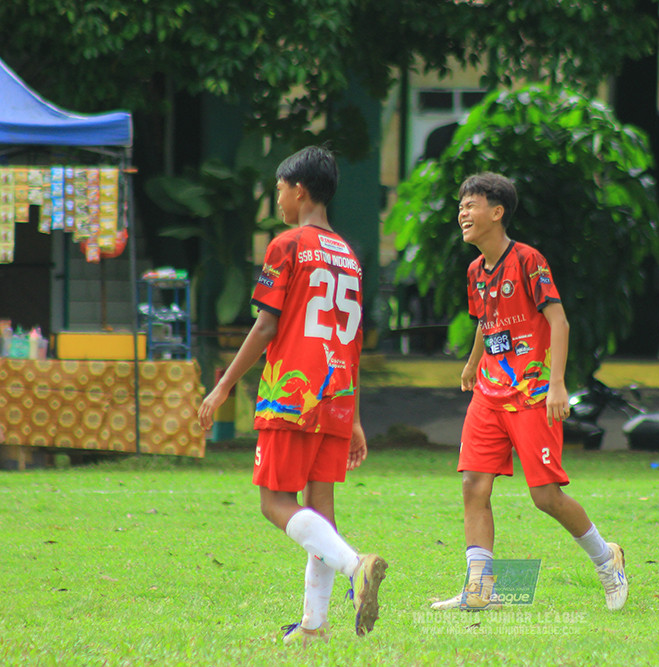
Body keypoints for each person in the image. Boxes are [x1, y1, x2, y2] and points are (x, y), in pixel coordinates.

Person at [198, 145, 387, 645]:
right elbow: (353, 341)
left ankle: (355, 565)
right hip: (337, 396)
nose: (278, 198)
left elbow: (265, 326)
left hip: (292, 391)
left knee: (273, 502)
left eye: (279, 189)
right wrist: (357, 419)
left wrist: (222, 386)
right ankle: (314, 625)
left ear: (298, 189)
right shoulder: (349, 254)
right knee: (320, 507)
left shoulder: (288, 244)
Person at [430, 172, 627, 612]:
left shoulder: (528, 260)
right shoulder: (475, 270)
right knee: (473, 486)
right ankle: (481, 591)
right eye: (460, 205)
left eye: (471, 204)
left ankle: (606, 558)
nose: (462, 212)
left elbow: (559, 321)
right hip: (489, 391)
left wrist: (556, 384)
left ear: (496, 212)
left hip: (532, 393)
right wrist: (472, 361)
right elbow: (486, 320)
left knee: (545, 497)